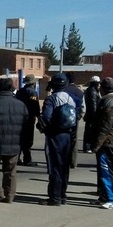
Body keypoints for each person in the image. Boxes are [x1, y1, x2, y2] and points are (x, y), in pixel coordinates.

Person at [38, 73, 76, 206]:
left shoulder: (52, 99)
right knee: (64, 166)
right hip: (68, 135)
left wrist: (42, 126)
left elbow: (46, 117)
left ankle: (54, 197)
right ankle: (62, 195)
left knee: (55, 165)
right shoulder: (70, 98)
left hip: (55, 135)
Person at [89, 77, 113, 209]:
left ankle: (110, 199)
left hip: (107, 142)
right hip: (108, 142)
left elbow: (105, 126)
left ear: (102, 88)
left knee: (106, 171)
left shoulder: (107, 101)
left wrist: (97, 144)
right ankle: (104, 196)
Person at [15, 74, 41, 166]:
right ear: (33, 83)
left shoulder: (20, 91)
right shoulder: (33, 93)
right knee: (28, 140)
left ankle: (17, 158)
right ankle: (27, 159)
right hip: (29, 118)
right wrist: (39, 116)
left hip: (19, 118)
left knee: (20, 138)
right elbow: (35, 106)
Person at [64, 72, 85, 168]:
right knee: (74, 140)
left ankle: (63, 160)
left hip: (63, 118)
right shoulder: (79, 92)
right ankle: (73, 162)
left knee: (63, 138)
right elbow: (83, 107)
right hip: (74, 118)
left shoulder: (64, 90)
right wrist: (79, 116)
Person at [83, 76, 102, 153]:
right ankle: (88, 147)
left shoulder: (91, 90)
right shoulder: (92, 92)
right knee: (90, 131)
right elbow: (93, 105)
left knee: (89, 131)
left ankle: (88, 146)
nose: (99, 85)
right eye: (98, 83)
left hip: (90, 115)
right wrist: (96, 115)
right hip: (92, 115)